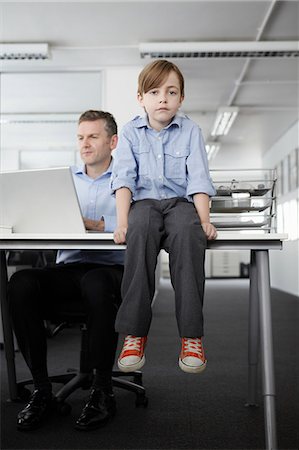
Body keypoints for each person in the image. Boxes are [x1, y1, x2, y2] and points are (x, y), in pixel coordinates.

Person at [8, 110, 124, 431]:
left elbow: (141, 224)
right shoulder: (63, 180)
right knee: (20, 283)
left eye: (93, 136)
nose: (85, 144)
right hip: (69, 269)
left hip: (110, 270)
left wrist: (96, 225)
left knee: (97, 284)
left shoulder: (127, 179)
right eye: (80, 137)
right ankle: (42, 390)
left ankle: (102, 391)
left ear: (112, 141)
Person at [111, 59, 217, 375]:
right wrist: (122, 222)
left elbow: (199, 178)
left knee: (188, 233)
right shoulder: (130, 132)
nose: (163, 99)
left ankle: (191, 336)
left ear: (181, 98)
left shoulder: (191, 131)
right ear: (141, 97)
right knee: (140, 230)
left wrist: (204, 220)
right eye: (155, 92)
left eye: (172, 92)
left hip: (179, 204)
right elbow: (123, 179)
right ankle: (134, 334)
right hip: (143, 205)